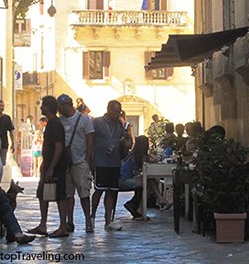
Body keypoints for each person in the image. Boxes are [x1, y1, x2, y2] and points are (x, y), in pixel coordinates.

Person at [27, 96, 69, 238]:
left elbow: (58, 146)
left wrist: (51, 167)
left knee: (60, 195)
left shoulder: (55, 124)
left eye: (43, 105)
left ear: (48, 107)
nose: (41, 107)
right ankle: (43, 224)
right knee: (42, 194)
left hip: (55, 166)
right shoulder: (52, 123)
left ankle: (63, 226)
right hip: (49, 165)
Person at [57, 93, 95, 233]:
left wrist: (88, 159)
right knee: (68, 194)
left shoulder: (84, 119)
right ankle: (70, 222)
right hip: (66, 163)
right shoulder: (60, 121)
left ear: (68, 105)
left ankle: (88, 221)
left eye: (61, 107)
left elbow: (90, 139)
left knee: (84, 193)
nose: (60, 110)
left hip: (80, 161)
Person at [91, 100, 124, 231]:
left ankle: (108, 220)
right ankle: (92, 217)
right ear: (109, 109)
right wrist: (90, 159)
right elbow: (91, 139)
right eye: (115, 111)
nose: (117, 114)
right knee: (99, 190)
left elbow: (120, 139)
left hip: (114, 162)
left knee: (111, 191)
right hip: (101, 161)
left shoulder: (119, 125)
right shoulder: (97, 122)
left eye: (119, 112)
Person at [120, 136, 172, 218]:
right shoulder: (142, 157)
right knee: (148, 180)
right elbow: (154, 159)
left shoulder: (134, 154)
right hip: (124, 181)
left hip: (122, 179)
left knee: (148, 180)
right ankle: (158, 199)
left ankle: (157, 200)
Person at [0, 99, 15, 166]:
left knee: (2, 163)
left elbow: (11, 131)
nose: (1, 107)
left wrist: (13, 143)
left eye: (2, 106)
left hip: (4, 143)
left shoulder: (7, 118)